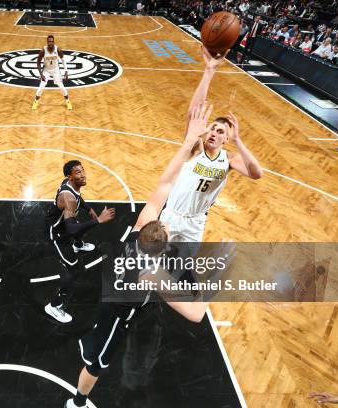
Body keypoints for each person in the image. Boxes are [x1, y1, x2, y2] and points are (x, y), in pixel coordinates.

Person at [64, 102, 217, 408]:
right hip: (118, 315)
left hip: (113, 291)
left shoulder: (136, 233)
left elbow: (164, 184)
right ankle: (77, 402)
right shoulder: (153, 274)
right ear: (160, 250)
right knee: (97, 365)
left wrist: (189, 142)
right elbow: (196, 315)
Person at [159, 46, 263, 243]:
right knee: (153, 263)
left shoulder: (230, 159)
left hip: (196, 222)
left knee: (181, 268)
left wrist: (238, 141)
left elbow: (257, 174)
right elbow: (194, 113)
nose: (214, 133)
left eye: (220, 131)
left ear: (226, 138)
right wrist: (209, 71)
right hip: (172, 216)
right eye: (212, 128)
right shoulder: (196, 149)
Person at [43, 160, 115, 323]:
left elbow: (78, 198)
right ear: (70, 176)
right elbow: (70, 230)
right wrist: (98, 221)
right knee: (74, 271)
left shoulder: (70, 185)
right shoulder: (68, 199)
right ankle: (54, 306)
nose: (83, 175)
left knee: (77, 222)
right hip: (58, 234)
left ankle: (78, 245)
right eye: (78, 172)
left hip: (62, 223)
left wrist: (88, 209)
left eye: (83, 170)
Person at [32, 35, 73, 111]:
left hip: (56, 70)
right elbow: (38, 63)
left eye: (52, 41)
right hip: (46, 70)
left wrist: (66, 71)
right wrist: (41, 74)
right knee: (41, 86)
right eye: (49, 41)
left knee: (61, 86)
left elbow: (63, 60)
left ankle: (68, 102)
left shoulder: (58, 50)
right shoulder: (43, 51)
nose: (50, 43)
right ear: (47, 42)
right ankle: (35, 102)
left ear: (54, 42)